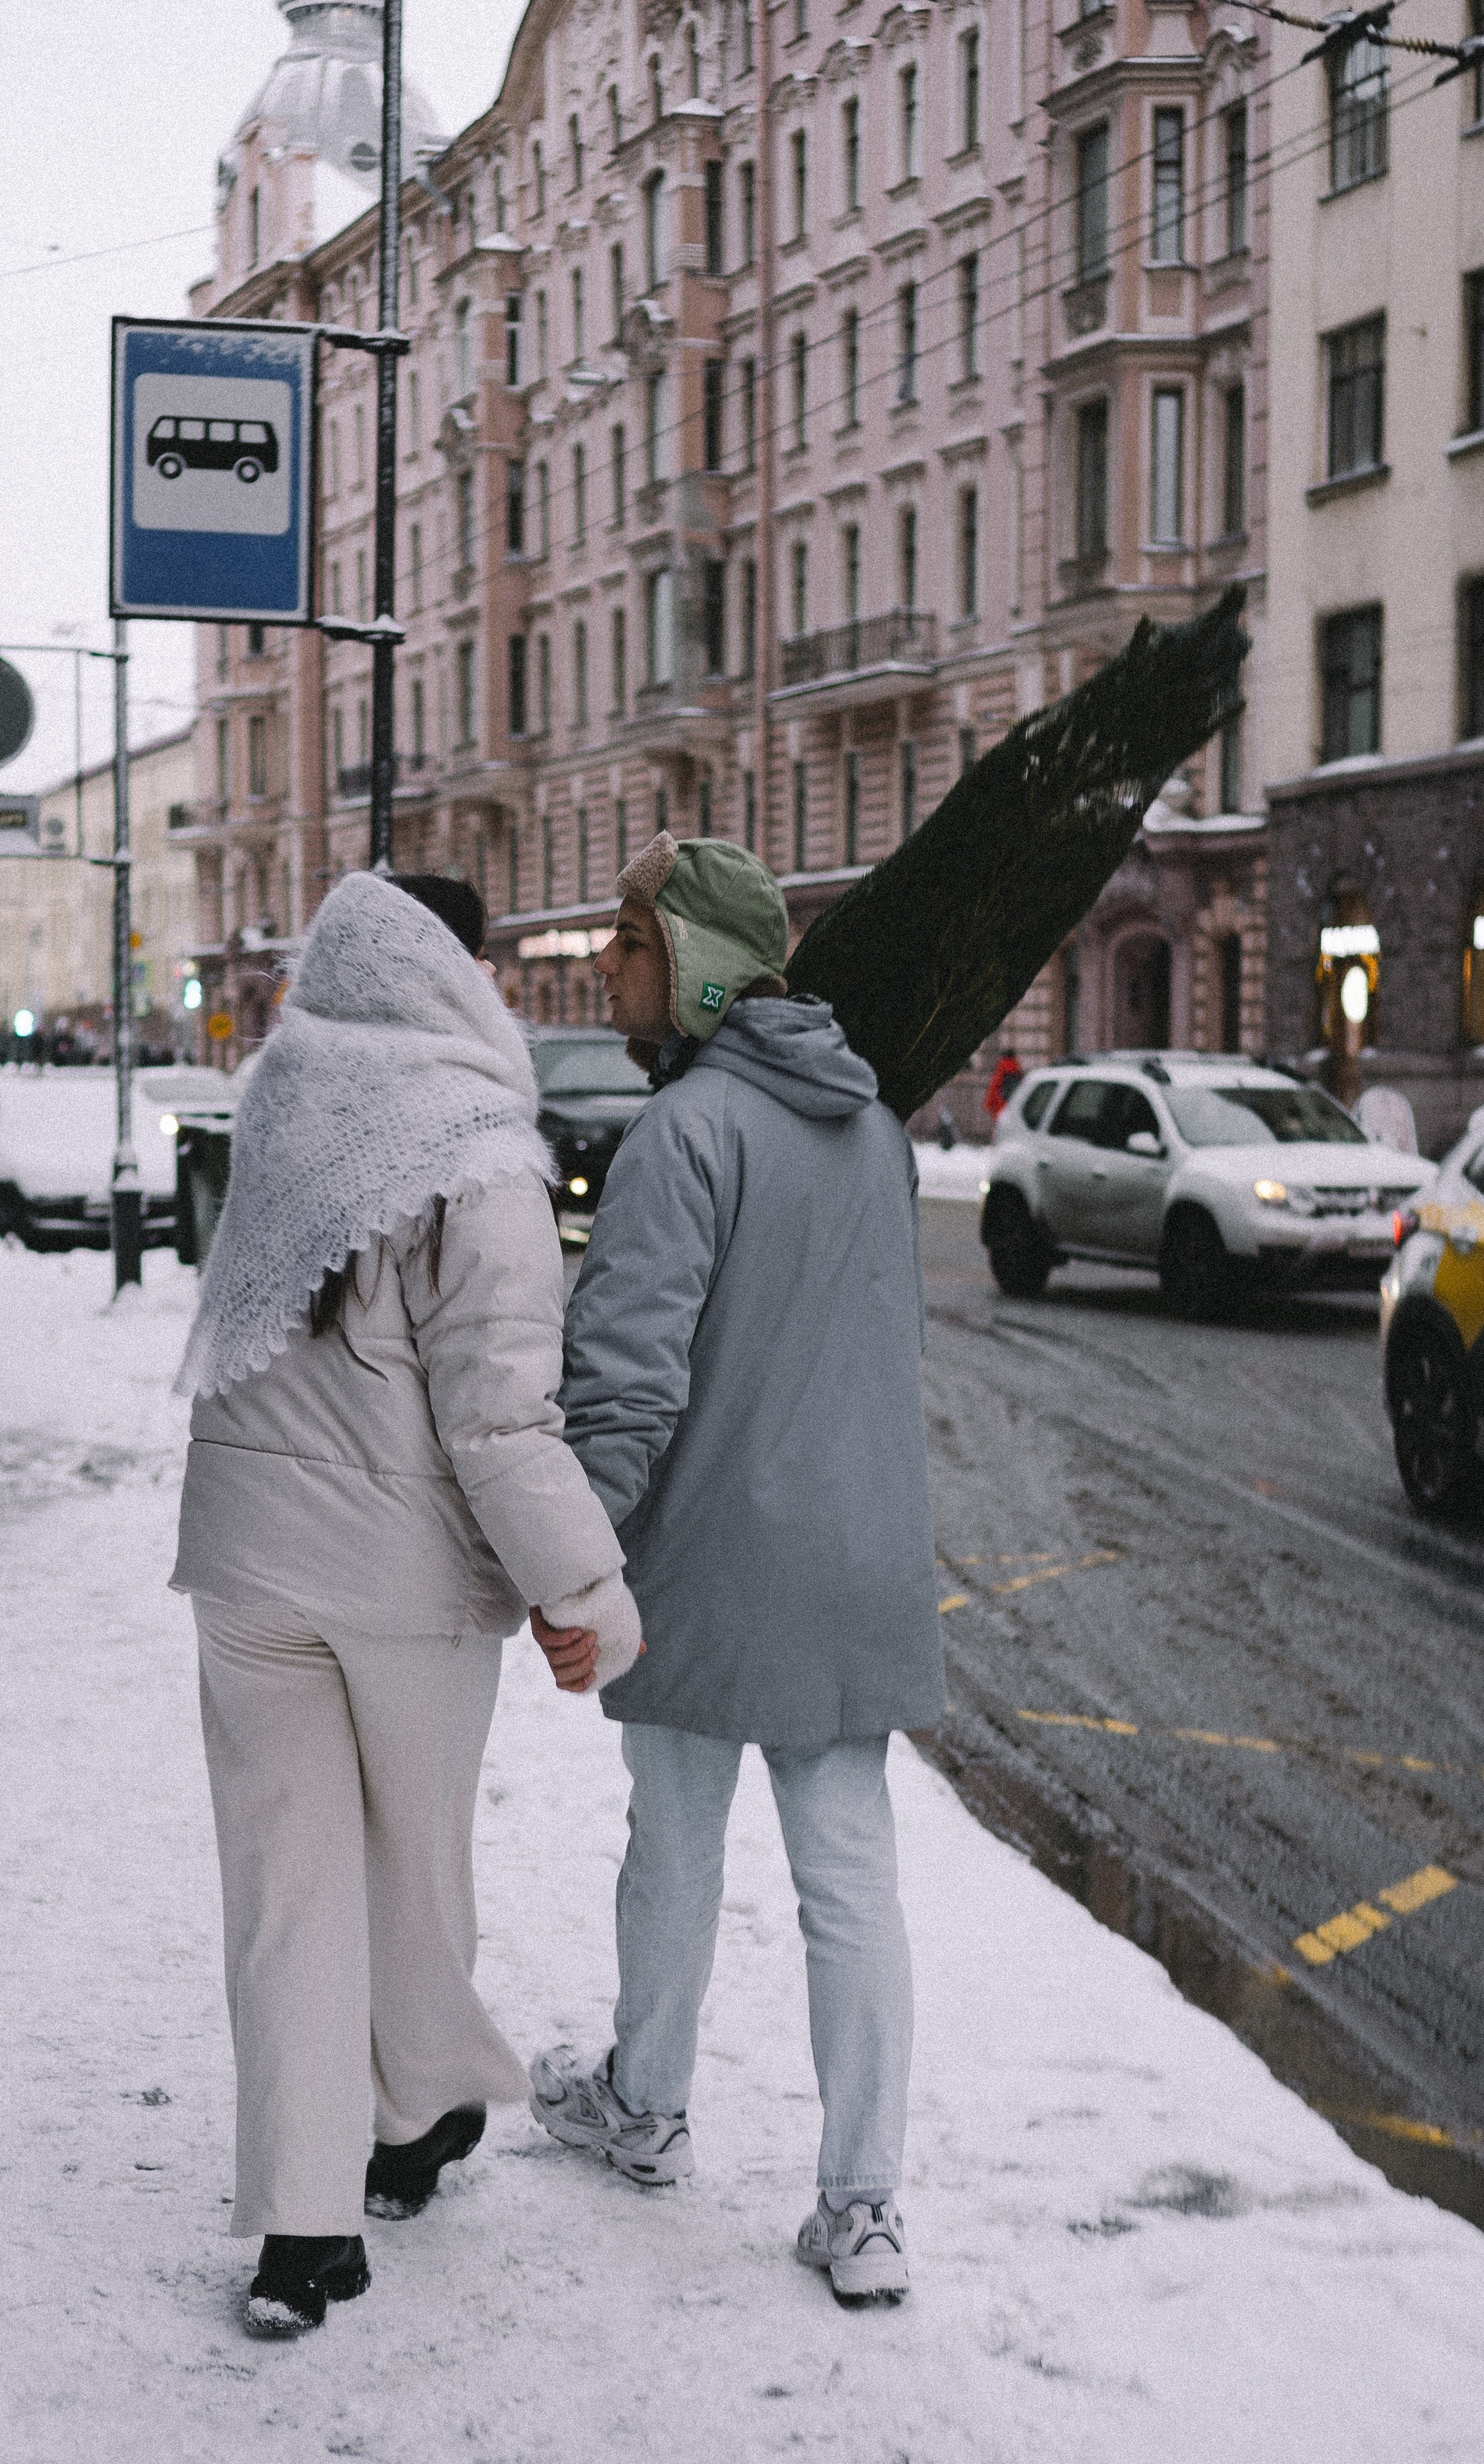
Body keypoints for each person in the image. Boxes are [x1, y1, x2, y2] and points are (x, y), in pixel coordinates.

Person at [169, 870, 640, 2338]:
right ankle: (414, 2112)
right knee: (413, 1867)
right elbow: (501, 1416)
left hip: (245, 1562)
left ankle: (304, 2238)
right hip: (400, 1580)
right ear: (458, 976)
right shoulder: (479, 1149)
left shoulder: (276, 1106)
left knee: (285, 1897)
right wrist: (585, 1587)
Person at [529, 833, 946, 2306]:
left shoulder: (685, 1133)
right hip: (859, 1559)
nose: (608, 965)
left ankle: (642, 2107)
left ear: (697, 964)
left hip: (705, 1560)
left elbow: (627, 1388)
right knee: (851, 1882)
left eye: (631, 942)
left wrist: (573, 1562)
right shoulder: (874, 1127)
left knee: (675, 1846)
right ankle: (863, 2204)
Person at [983, 1046, 1023, 1121]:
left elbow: (994, 1086)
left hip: (1001, 1103)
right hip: (1013, 1104)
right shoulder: (1017, 1069)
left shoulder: (1002, 1068)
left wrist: (988, 1104)